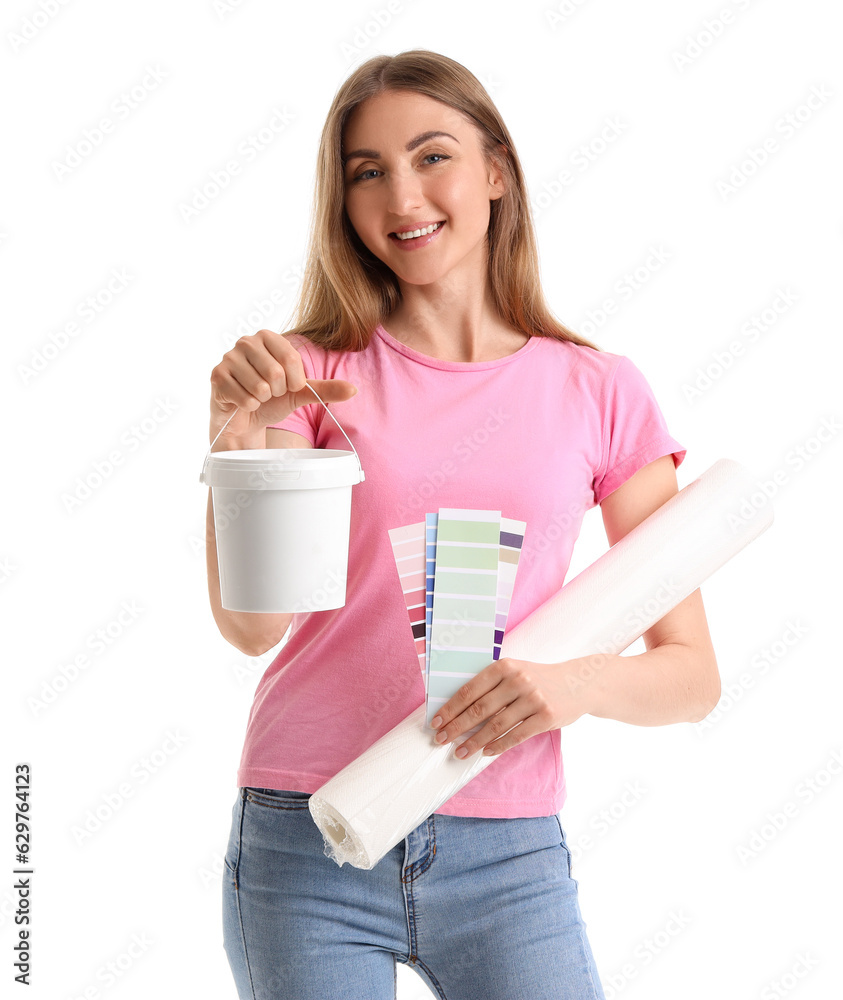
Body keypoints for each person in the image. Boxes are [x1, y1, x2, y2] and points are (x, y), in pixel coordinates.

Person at [208, 49, 721, 1000]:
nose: (402, 194)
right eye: (367, 171)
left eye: (431, 155)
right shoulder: (308, 375)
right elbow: (253, 630)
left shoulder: (599, 392)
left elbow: (692, 675)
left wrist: (573, 685)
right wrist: (233, 448)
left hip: (509, 857)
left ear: (496, 173)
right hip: (308, 834)